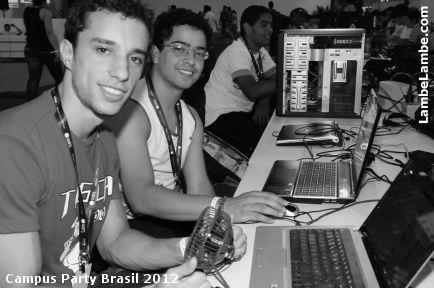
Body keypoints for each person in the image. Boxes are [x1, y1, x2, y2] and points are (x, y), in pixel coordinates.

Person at [0, 1, 245, 287]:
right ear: (68, 53)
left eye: (134, 58)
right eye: (104, 50)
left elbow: (115, 241)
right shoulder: (14, 146)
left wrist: (188, 249)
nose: (122, 72)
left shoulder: (103, 138)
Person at [106, 8, 288, 239]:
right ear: (155, 53)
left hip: (172, 215)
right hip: (132, 230)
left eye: (199, 53)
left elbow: (199, 187)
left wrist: (221, 222)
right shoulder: (132, 112)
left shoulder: (190, 116)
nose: (191, 60)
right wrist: (225, 207)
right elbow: (141, 198)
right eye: (179, 48)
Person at [204, 5, 275, 156]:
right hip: (220, 116)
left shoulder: (260, 51)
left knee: (273, 120)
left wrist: (265, 100)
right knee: (265, 143)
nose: (270, 30)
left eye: (271, 25)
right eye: (264, 25)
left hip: (241, 110)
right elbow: (253, 91)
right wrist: (293, 80)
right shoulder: (237, 52)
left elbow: (275, 78)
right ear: (248, 28)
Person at [23, 0, 63, 101]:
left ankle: (30, 104)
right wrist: (57, 51)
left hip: (30, 48)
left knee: (33, 79)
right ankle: (62, 100)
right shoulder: (46, 12)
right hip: (45, 50)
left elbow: (29, 28)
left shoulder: (26, 10)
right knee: (59, 78)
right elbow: (49, 32)